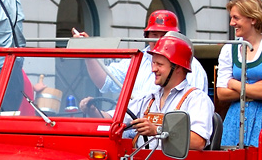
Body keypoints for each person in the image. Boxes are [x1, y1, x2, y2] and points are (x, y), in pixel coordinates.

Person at [80, 10, 209, 107]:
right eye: (154, 35)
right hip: (135, 130)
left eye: (164, 36)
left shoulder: (193, 67)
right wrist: (88, 53)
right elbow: (105, 80)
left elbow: (193, 111)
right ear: (146, 36)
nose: (158, 41)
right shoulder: (137, 60)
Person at [125, 34, 214, 151]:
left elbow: (198, 141)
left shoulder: (197, 99)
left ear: (177, 67)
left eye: (160, 64)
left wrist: (157, 130)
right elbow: (117, 118)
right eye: (153, 63)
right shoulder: (148, 99)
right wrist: (95, 111)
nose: (153, 69)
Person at [216, 0, 262, 147]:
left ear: (253, 19)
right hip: (234, 120)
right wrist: (257, 87)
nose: (232, 23)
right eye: (231, 18)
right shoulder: (229, 49)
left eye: (236, 18)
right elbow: (221, 94)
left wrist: (234, 84)